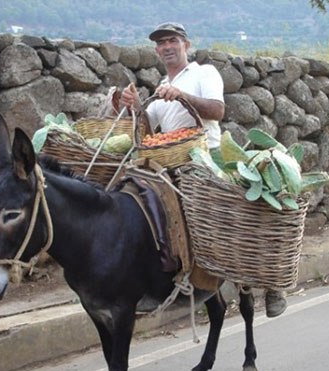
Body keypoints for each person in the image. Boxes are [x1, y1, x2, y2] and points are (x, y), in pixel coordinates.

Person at [121, 22, 287, 318]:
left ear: (185, 44)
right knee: (135, 201)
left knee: (233, 216)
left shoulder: (203, 73)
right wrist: (135, 108)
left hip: (204, 157)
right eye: (161, 44)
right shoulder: (162, 84)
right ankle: (160, 278)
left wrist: (182, 96)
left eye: (172, 41)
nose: (167, 47)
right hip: (169, 161)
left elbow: (217, 111)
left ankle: (269, 279)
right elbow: (149, 126)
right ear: (157, 51)